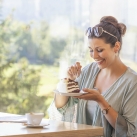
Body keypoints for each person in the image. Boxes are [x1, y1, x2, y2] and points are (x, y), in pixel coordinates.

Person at [52, 16, 137, 137]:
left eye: (100, 50)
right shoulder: (89, 71)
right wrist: (68, 81)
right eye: (91, 50)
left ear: (116, 47)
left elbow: (130, 131)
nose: (94, 56)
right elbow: (61, 107)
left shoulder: (132, 82)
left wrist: (101, 101)